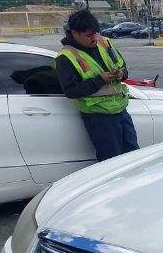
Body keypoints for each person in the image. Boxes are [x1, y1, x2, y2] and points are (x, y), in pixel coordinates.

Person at [55, 9, 139, 161]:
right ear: (74, 33)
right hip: (99, 117)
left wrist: (121, 74)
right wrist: (99, 80)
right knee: (111, 161)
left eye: (95, 33)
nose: (94, 38)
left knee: (133, 156)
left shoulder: (104, 42)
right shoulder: (66, 57)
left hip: (121, 110)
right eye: (88, 35)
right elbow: (71, 91)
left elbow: (123, 66)